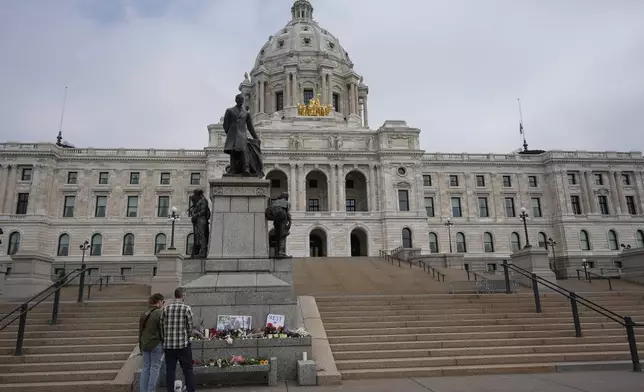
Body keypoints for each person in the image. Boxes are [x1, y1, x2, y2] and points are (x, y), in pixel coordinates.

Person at [162, 287, 195, 392]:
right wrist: (187, 336)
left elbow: (162, 325)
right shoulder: (186, 308)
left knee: (170, 370)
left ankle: (170, 390)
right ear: (183, 296)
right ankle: (190, 390)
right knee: (188, 370)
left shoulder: (166, 308)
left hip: (168, 345)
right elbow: (190, 327)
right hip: (182, 345)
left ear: (174, 296)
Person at [222, 93, 259, 176]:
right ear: (236, 100)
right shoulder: (230, 110)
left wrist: (256, 138)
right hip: (232, 134)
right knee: (233, 152)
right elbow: (225, 124)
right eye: (239, 99)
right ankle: (233, 168)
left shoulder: (246, 113)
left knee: (243, 150)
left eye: (242, 99)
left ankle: (246, 168)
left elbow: (250, 127)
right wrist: (229, 132)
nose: (241, 101)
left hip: (242, 134)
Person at [139, 293, 165, 392]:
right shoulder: (159, 313)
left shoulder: (144, 313)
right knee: (155, 367)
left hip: (145, 344)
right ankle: (151, 390)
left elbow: (141, 332)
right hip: (156, 344)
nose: (163, 304)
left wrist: (141, 345)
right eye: (163, 302)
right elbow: (162, 330)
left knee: (146, 368)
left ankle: (143, 390)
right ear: (158, 302)